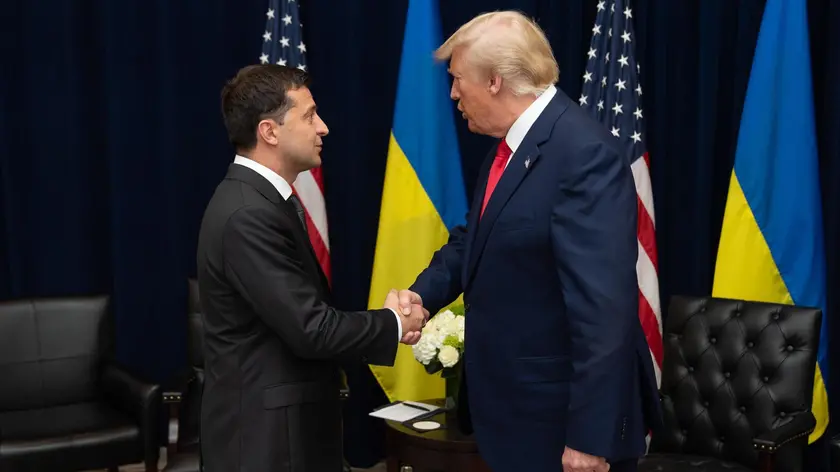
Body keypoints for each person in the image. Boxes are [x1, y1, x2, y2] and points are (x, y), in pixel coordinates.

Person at [397, 11, 662, 472]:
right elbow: (473, 240)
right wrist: (422, 294)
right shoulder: (512, 147)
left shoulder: (582, 154)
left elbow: (603, 311)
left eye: (459, 79)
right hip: (514, 417)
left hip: (560, 429)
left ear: (495, 81)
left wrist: (588, 439)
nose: (454, 92)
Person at [196, 64, 426, 472]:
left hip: (287, 432)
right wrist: (393, 323)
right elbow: (312, 329)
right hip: (265, 444)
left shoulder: (263, 201)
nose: (323, 128)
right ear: (269, 131)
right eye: (309, 116)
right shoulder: (248, 213)